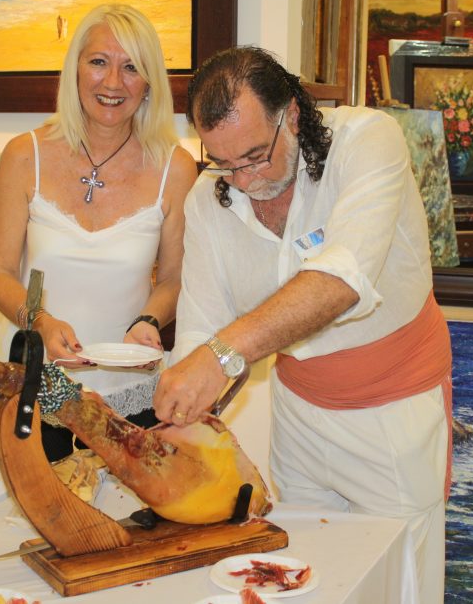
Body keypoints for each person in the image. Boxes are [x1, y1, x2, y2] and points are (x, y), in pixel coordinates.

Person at [153, 47, 452, 603]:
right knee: (302, 578)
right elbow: (201, 327)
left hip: (393, 412)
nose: (244, 180)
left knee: (399, 583)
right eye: (224, 163)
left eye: (255, 156)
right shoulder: (207, 199)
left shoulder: (367, 141)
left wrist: (221, 354)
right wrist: (189, 397)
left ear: (290, 115)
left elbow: (342, 279)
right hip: (299, 418)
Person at [0, 4, 197, 461]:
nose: (113, 82)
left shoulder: (175, 168)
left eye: (131, 67)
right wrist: (40, 321)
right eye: (99, 62)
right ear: (75, 69)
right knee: (36, 506)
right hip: (37, 385)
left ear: (150, 82)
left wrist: (148, 321)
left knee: (126, 509)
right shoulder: (23, 155)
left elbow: (175, 279)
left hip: (131, 394)